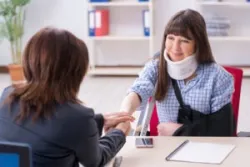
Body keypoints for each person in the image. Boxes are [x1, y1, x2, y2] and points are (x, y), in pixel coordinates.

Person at [0, 27, 134, 167]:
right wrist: (119, 133)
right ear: (75, 73)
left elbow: (45, 126)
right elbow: (96, 160)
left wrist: (98, 121)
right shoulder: (78, 117)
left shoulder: (8, 95)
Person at [120, 9, 235, 136]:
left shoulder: (218, 77)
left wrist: (180, 131)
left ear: (198, 43)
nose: (175, 47)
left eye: (184, 41)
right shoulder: (156, 67)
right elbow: (137, 92)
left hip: (205, 149)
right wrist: (123, 117)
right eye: (171, 38)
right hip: (166, 148)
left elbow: (223, 129)